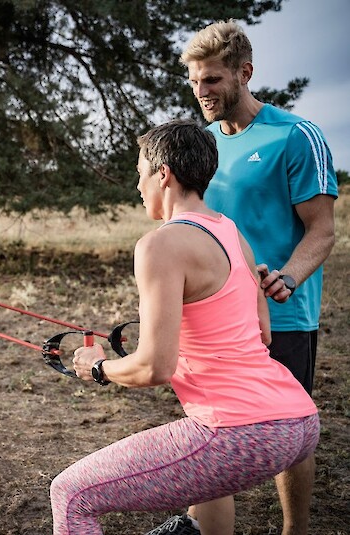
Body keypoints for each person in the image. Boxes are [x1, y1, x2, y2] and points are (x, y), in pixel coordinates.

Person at [49, 119, 320, 535]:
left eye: (140, 174)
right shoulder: (231, 231)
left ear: (164, 174)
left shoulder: (160, 244)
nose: (138, 187)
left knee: (70, 494)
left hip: (238, 431)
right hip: (298, 421)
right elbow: (261, 333)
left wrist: (96, 368)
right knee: (207, 479)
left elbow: (154, 367)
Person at [146, 20, 339, 535]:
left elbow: (322, 231)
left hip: (284, 312)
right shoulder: (201, 144)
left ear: (244, 73)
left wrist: (289, 277)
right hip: (215, 319)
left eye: (211, 80)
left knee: (290, 431)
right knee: (210, 424)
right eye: (193, 81)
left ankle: (294, 529)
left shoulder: (296, 136)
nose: (200, 92)